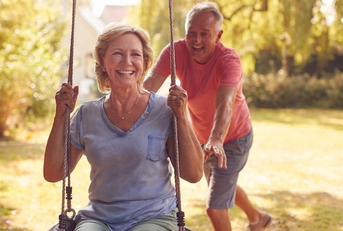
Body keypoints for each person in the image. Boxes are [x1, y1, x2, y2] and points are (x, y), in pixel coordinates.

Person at [43, 22, 204, 231]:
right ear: (102, 60)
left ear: (145, 62)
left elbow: (193, 174)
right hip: (99, 218)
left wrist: (181, 117)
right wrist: (61, 115)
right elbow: (53, 173)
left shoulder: (165, 109)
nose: (127, 62)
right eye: (118, 53)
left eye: (135, 55)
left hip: (154, 216)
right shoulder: (87, 114)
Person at [143, 2, 272, 231]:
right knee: (220, 185)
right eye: (192, 33)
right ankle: (257, 218)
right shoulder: (176, 51)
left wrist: (216, 139)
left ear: (219, 35)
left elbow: (225, 103)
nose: (197, 40)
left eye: (205, 34)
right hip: (202, 139)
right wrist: (123, 106)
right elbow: (149, 85)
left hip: (233, 139)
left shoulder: (228, 60)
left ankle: (255, 218)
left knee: (215, 207)